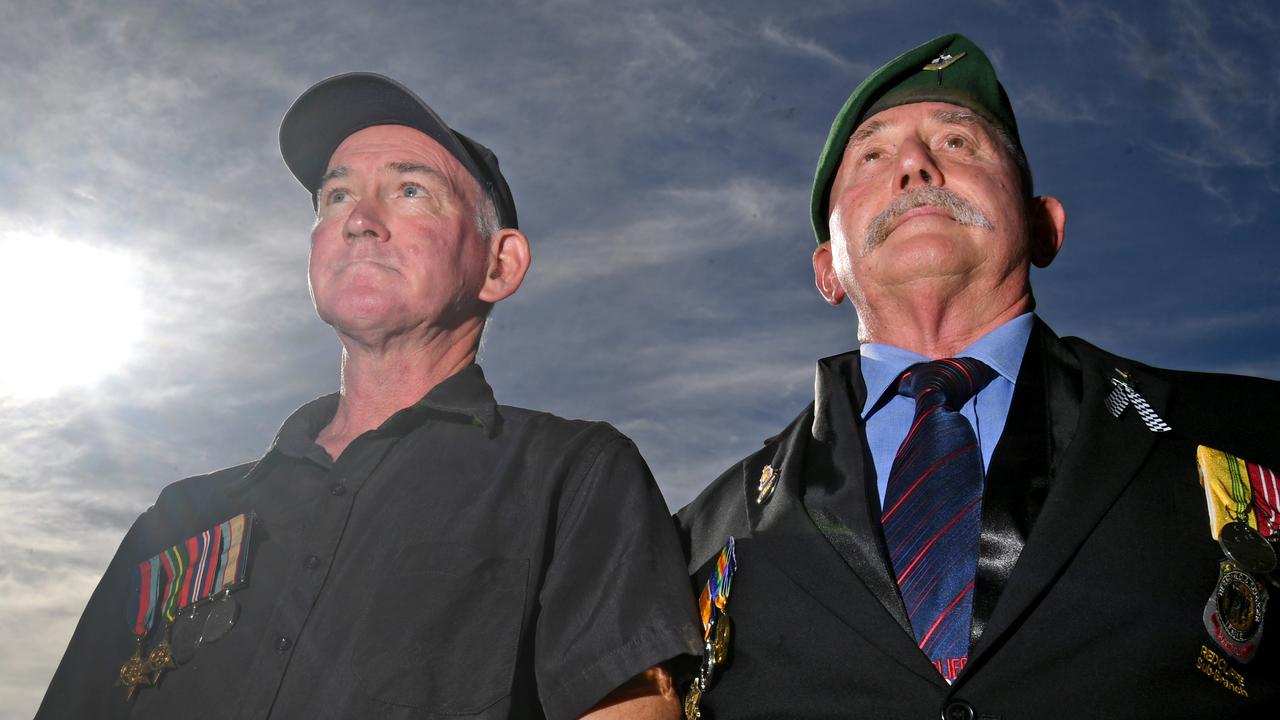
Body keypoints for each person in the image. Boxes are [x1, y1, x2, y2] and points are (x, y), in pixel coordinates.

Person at [38, 72, 699, 720]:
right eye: (335, 197)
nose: (359, 219)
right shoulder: (178, 518)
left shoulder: (573, 477)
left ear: (499, 265)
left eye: (411, 190)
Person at [676, 33, 1280, 719]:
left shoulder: (1254, 431)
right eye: (872, 154)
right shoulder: (694, 540)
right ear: (826, 270)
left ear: (1041, 223)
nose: (915, 164)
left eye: (959, 142)